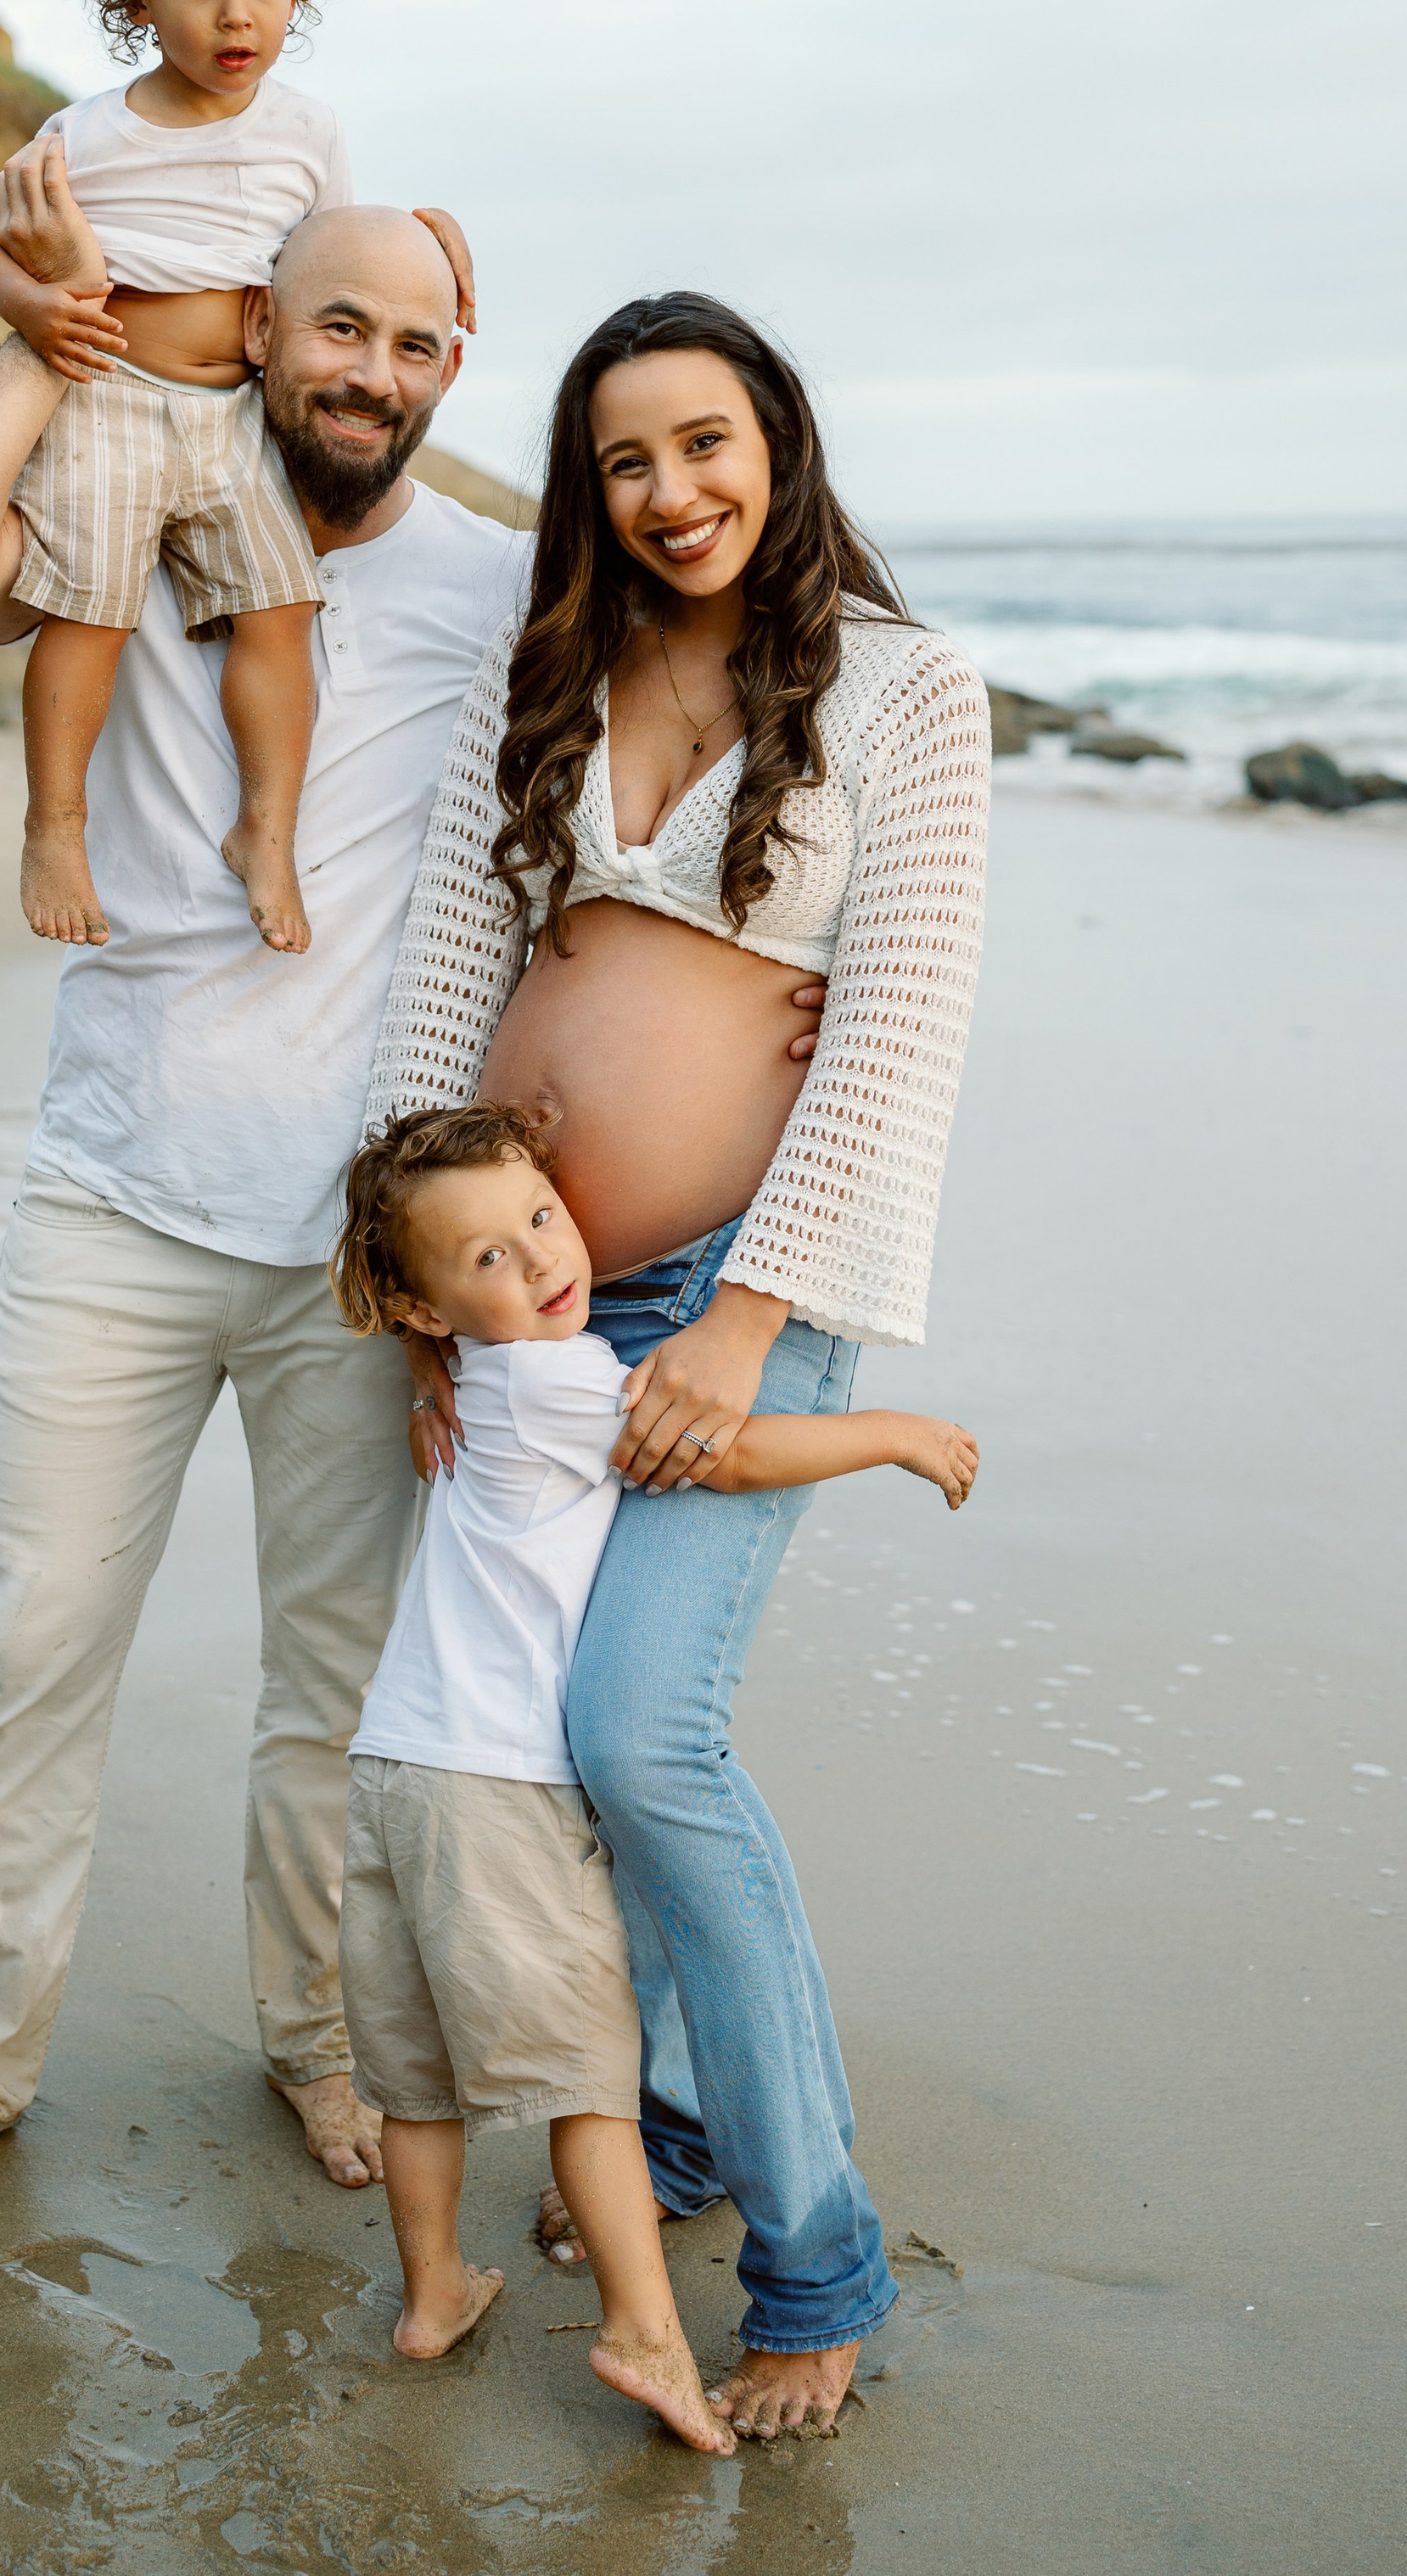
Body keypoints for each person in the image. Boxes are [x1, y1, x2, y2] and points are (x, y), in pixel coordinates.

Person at [0, 203, 521, 2213]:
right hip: (113, 1196)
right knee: (30, 1639)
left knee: (338, 1686)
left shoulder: (496, 584)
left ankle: (316, 2048)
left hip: (360, 1253)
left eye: (411, 343)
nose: (367, 374)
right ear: (257, 328)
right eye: (331, 327)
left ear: (451, 364)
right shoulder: (133, 506)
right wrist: (64, 336)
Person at [367, 290, 991, 2438]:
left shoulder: (906, 692)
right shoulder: (548, 668)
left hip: (738, 1279)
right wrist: (418, 1298)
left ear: (779, 443)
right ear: (591, 488)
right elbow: (448, 972)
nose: (674, 491)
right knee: (537, 1737)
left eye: (706, 443)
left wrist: (741, 1314)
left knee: (645, 1743)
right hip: (514, 1304)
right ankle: (679, 2130)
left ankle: (816, 2256)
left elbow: (897, 1024)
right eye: (627, 459)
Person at [326, 1101, 975, 2450]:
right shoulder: (568, 1382)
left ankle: (434, 2290)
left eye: (543, 1220)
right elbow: (731, 1451)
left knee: (418, 2074)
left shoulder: (480, 1385)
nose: (544, 1260)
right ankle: (642, 2327)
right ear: (428, 1309)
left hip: (393, 1768)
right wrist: (899, 1433)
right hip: (497, 1790)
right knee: (584, 2085)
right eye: (491, 1258)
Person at [0, 0, 474, 956]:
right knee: (88, 613)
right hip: (111, 398)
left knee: (280, 613)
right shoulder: (86, 132)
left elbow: (332, 248)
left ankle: (266, 829)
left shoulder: (309, 129)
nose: (235, 14)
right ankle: (55, 824)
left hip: (234, 420)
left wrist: (423, 231)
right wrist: (30, 308)